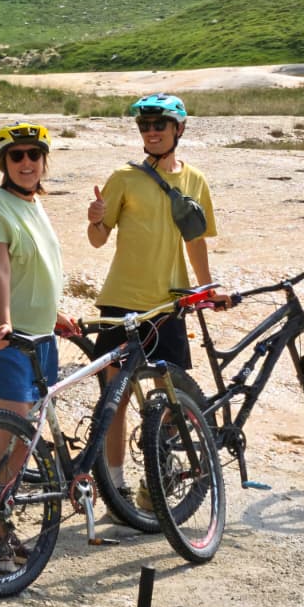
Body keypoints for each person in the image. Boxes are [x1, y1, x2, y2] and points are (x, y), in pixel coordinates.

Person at [85, 93, 224, 504]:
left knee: (171, 399)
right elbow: (97, 240)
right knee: (115, 398)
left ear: (179, 129)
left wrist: (208, 288)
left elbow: (195, 240)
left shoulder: (195, 180)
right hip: (122, 301)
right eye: (145, 126)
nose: (151, 132)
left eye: (159, 125)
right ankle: (114, 484)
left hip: (169, 303)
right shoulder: (124, 177)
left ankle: (157, 481)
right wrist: (94, 219)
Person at [0, 122, 73, 575]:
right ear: (3, 163)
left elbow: (36, 268)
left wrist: (54, 314)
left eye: (34, 154)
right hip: (5, 337)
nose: (26, 162)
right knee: (8, 434)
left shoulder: (33, 204)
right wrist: (7, 320)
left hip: (39, 336)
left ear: (44, 161)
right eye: (17, 156)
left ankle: (0, 527)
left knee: (22, 439)